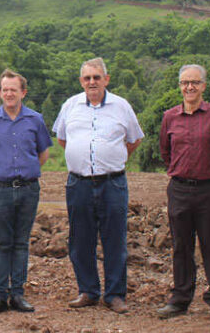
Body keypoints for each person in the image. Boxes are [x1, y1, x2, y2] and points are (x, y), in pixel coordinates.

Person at [52, 57, 144, 314]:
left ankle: (115, 294)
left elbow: (133, 140)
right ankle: (88, 291)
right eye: (87, 78)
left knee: (115, 239)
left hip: (112, 183)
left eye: (96, 77)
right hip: (78, 182)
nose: (91, 82)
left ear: (106, 79)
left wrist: (111, 157)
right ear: (81, 81)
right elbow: (62, 139)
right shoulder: (70, 106)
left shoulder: (121, 106)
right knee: (81, 240)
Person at [156, 64, 210, 321]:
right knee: (181, 246)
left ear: (203, 85)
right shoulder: (170, 116)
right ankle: (180, 299)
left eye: (194, 82)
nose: (189, 87)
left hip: (209, 190)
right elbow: (165, 152)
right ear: (179, 86)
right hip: (179, 189)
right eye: (184, 83)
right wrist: (178, 171)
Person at [0, 70, 53, 316]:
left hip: (29, 189)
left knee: (21, 243)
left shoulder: (35, 119)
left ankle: (17, 294)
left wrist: (25, 173)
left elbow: (43, 153)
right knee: (2, 243)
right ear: (0, 92)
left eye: (14, 90)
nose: (9, 94)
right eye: (5, 89)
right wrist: (1, 174)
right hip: (0, 191)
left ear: (23, 92)